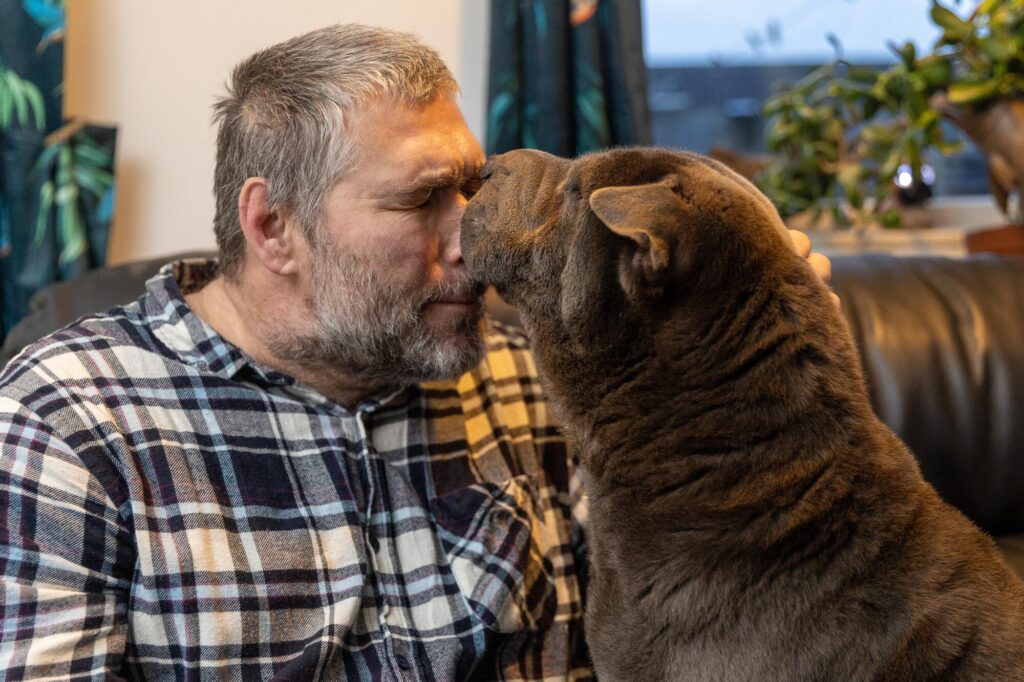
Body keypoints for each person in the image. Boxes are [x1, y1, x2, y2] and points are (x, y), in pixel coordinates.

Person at [0, 24, 832, 680]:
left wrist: (754, 356)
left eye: (472, 190)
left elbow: (730, 601)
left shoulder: (536, 377)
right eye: (422, 198)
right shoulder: (67, 425)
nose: (473, 239)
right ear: (272, 228)